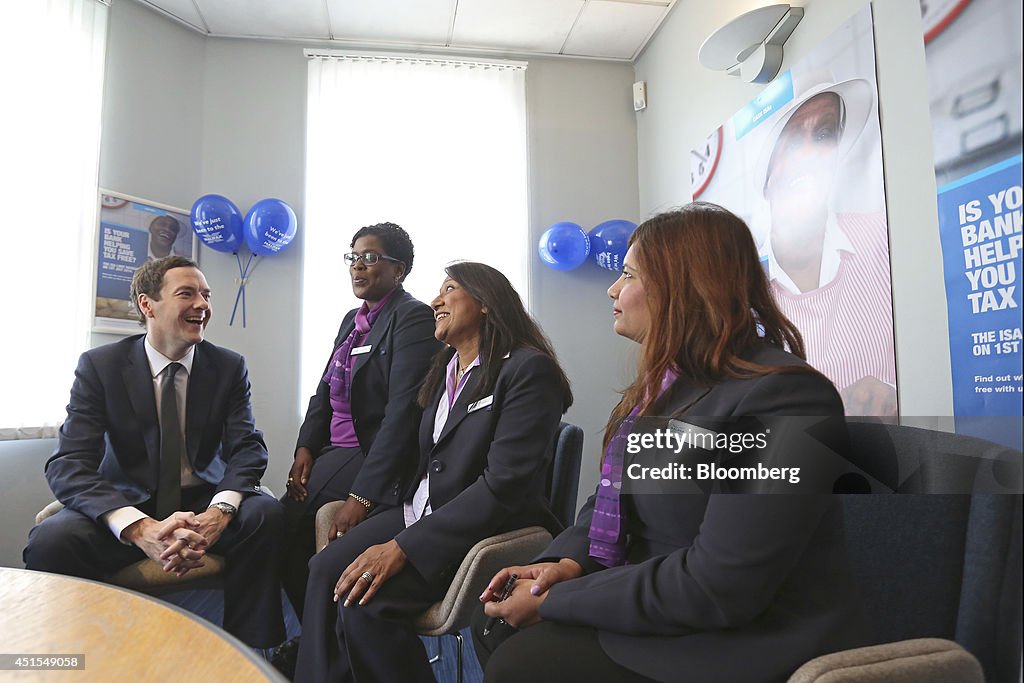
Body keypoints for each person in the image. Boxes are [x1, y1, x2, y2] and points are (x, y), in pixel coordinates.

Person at [473, 203, 869, 683]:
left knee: (521, 665)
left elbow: (722, 585)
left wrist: (558, 601)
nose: (613, 289)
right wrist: (564, 564)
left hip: (741, 636)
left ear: (682, 286)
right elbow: (612, 500)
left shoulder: (786, 398)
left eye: (628, 274)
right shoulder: (671, 386)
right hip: (665, 606)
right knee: (493, 625)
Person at [294, 261, 573, 683]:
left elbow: (502, 486)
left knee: (364, 603)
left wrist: (403, 546)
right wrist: (369, 502)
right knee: (322, 571)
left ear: (485, 301)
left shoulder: (526, 370)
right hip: (419, 509)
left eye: (449, 289)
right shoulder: (443, 370)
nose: (435, 301)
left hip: (478, 527)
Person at [24, 255, 285, 649]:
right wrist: (140, 528)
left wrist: (218, 514)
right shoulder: (101, 367)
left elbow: (246, 447)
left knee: (265, 514)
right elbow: (70, 464)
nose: (202, 304)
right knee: (52, 541)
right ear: (148, 305)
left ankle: (249, 652)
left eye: (206, 295)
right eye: (187, 294)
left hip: (201, 502)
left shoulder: (228, 367)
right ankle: (75, 653)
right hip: (126, 502)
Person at [280, 222, 440, 620]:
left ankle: (316, 641)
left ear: (398, 270)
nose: (358, 266)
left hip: (368, 451)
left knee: (284, 523)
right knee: (284, 528)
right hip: (334, 447)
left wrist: (362, 496)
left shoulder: (412, 317)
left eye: (371, 258)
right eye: (353, 257)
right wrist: (305, 446)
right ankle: (312, 636)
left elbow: (402, 413)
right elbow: (324, 391)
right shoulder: (353, 319)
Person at [756, 74, 897, 417]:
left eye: (824, 135)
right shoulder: (738, 288)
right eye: (791, 139)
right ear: (766, 175)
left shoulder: (884, 239)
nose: (809, 154)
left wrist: (896, 392)